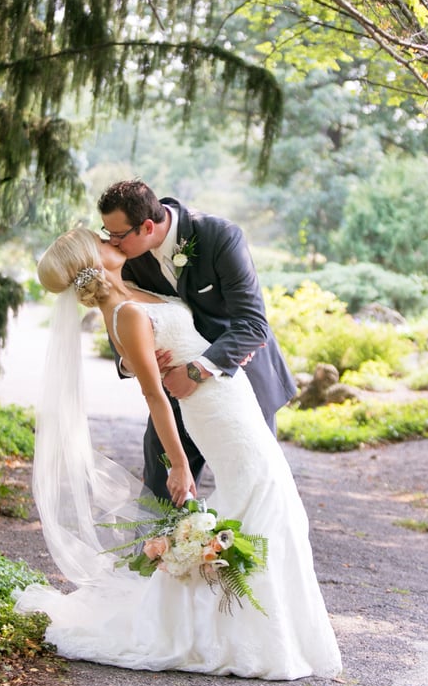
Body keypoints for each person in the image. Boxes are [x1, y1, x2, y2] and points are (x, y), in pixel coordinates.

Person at [15, 226, 342, 681]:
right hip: (211, 410)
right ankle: (248, 632)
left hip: (231, 394)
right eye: (104, 240)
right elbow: (154, 397)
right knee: (266, 498)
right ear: (93, 260)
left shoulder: (133, 291)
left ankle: (255, 624)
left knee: (270, 499)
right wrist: (180, 463)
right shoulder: (125, 314)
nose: (114, 240)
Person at [97, 179, 296, 500]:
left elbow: (253, 325)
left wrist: (196, 371)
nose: (111, 243)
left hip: (237, 381)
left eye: (117, 235)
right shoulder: (123, 258)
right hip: (172, 392)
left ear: (147, 226)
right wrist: (131, 361)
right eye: (107, 233)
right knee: (161, 497)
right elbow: (118, 308)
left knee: (255, 491)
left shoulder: (219, 236)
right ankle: (174, 551)